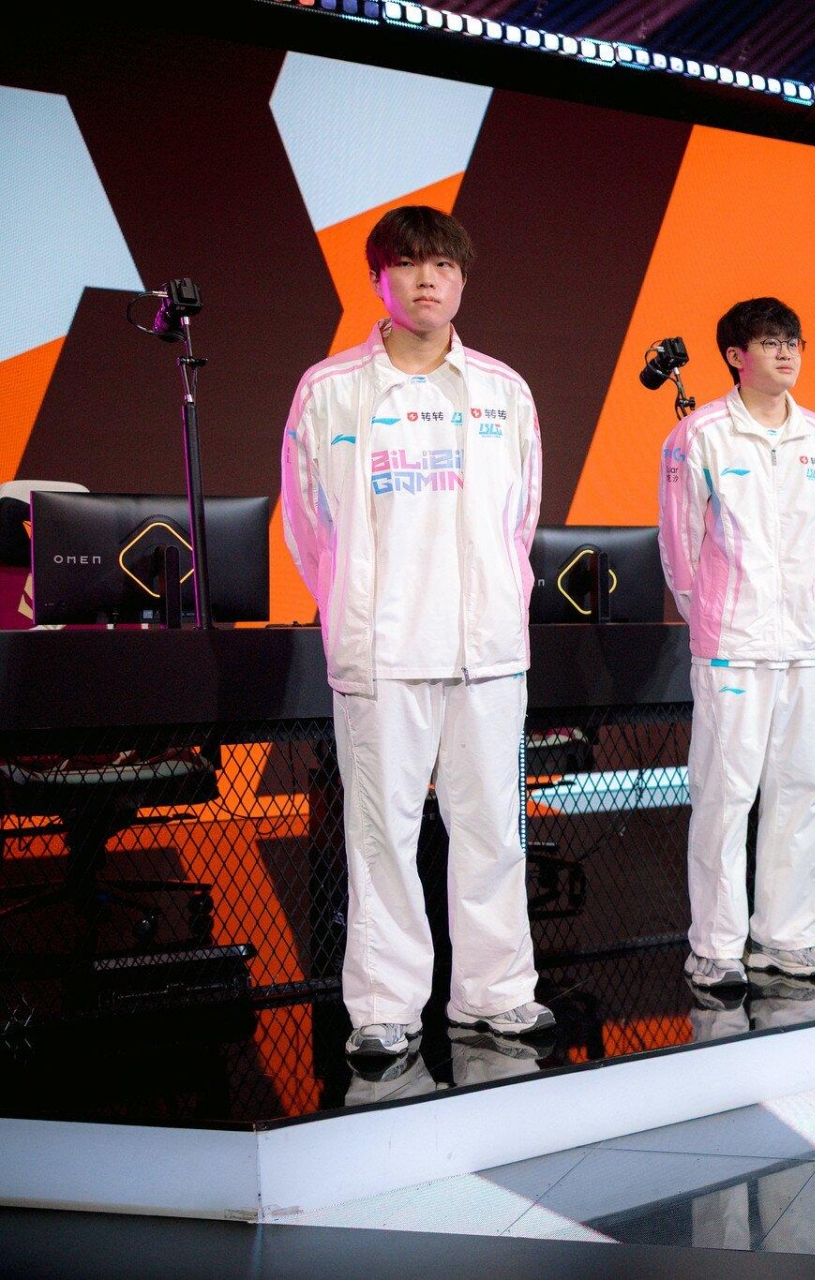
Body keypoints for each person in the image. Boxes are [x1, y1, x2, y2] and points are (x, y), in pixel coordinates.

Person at [281, 206, 551, 1057]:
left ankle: (495, 994)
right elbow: (308, 525)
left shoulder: (505, 392)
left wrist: (497, 600)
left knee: (493, 830)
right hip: (382, 653)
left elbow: (521, 519)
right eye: (408, 263)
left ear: (462, 280)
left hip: (486, 651)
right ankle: (383, 1009)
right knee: (381, 837)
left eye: (444, 265)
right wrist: (355, 605)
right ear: (378, 278)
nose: (427, 278)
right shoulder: (329, 390)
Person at [660, 298, 815, 989]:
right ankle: (714, 946)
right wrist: (711, 620)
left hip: (803, 642)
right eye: (770, 342)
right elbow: (679, 545)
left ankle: (786, 937)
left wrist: (806, 608)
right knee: (724, 796)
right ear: (736, 356)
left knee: (800, 791)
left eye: (793, 341)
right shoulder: (700, 436)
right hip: (731, 645)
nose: (786, 353)